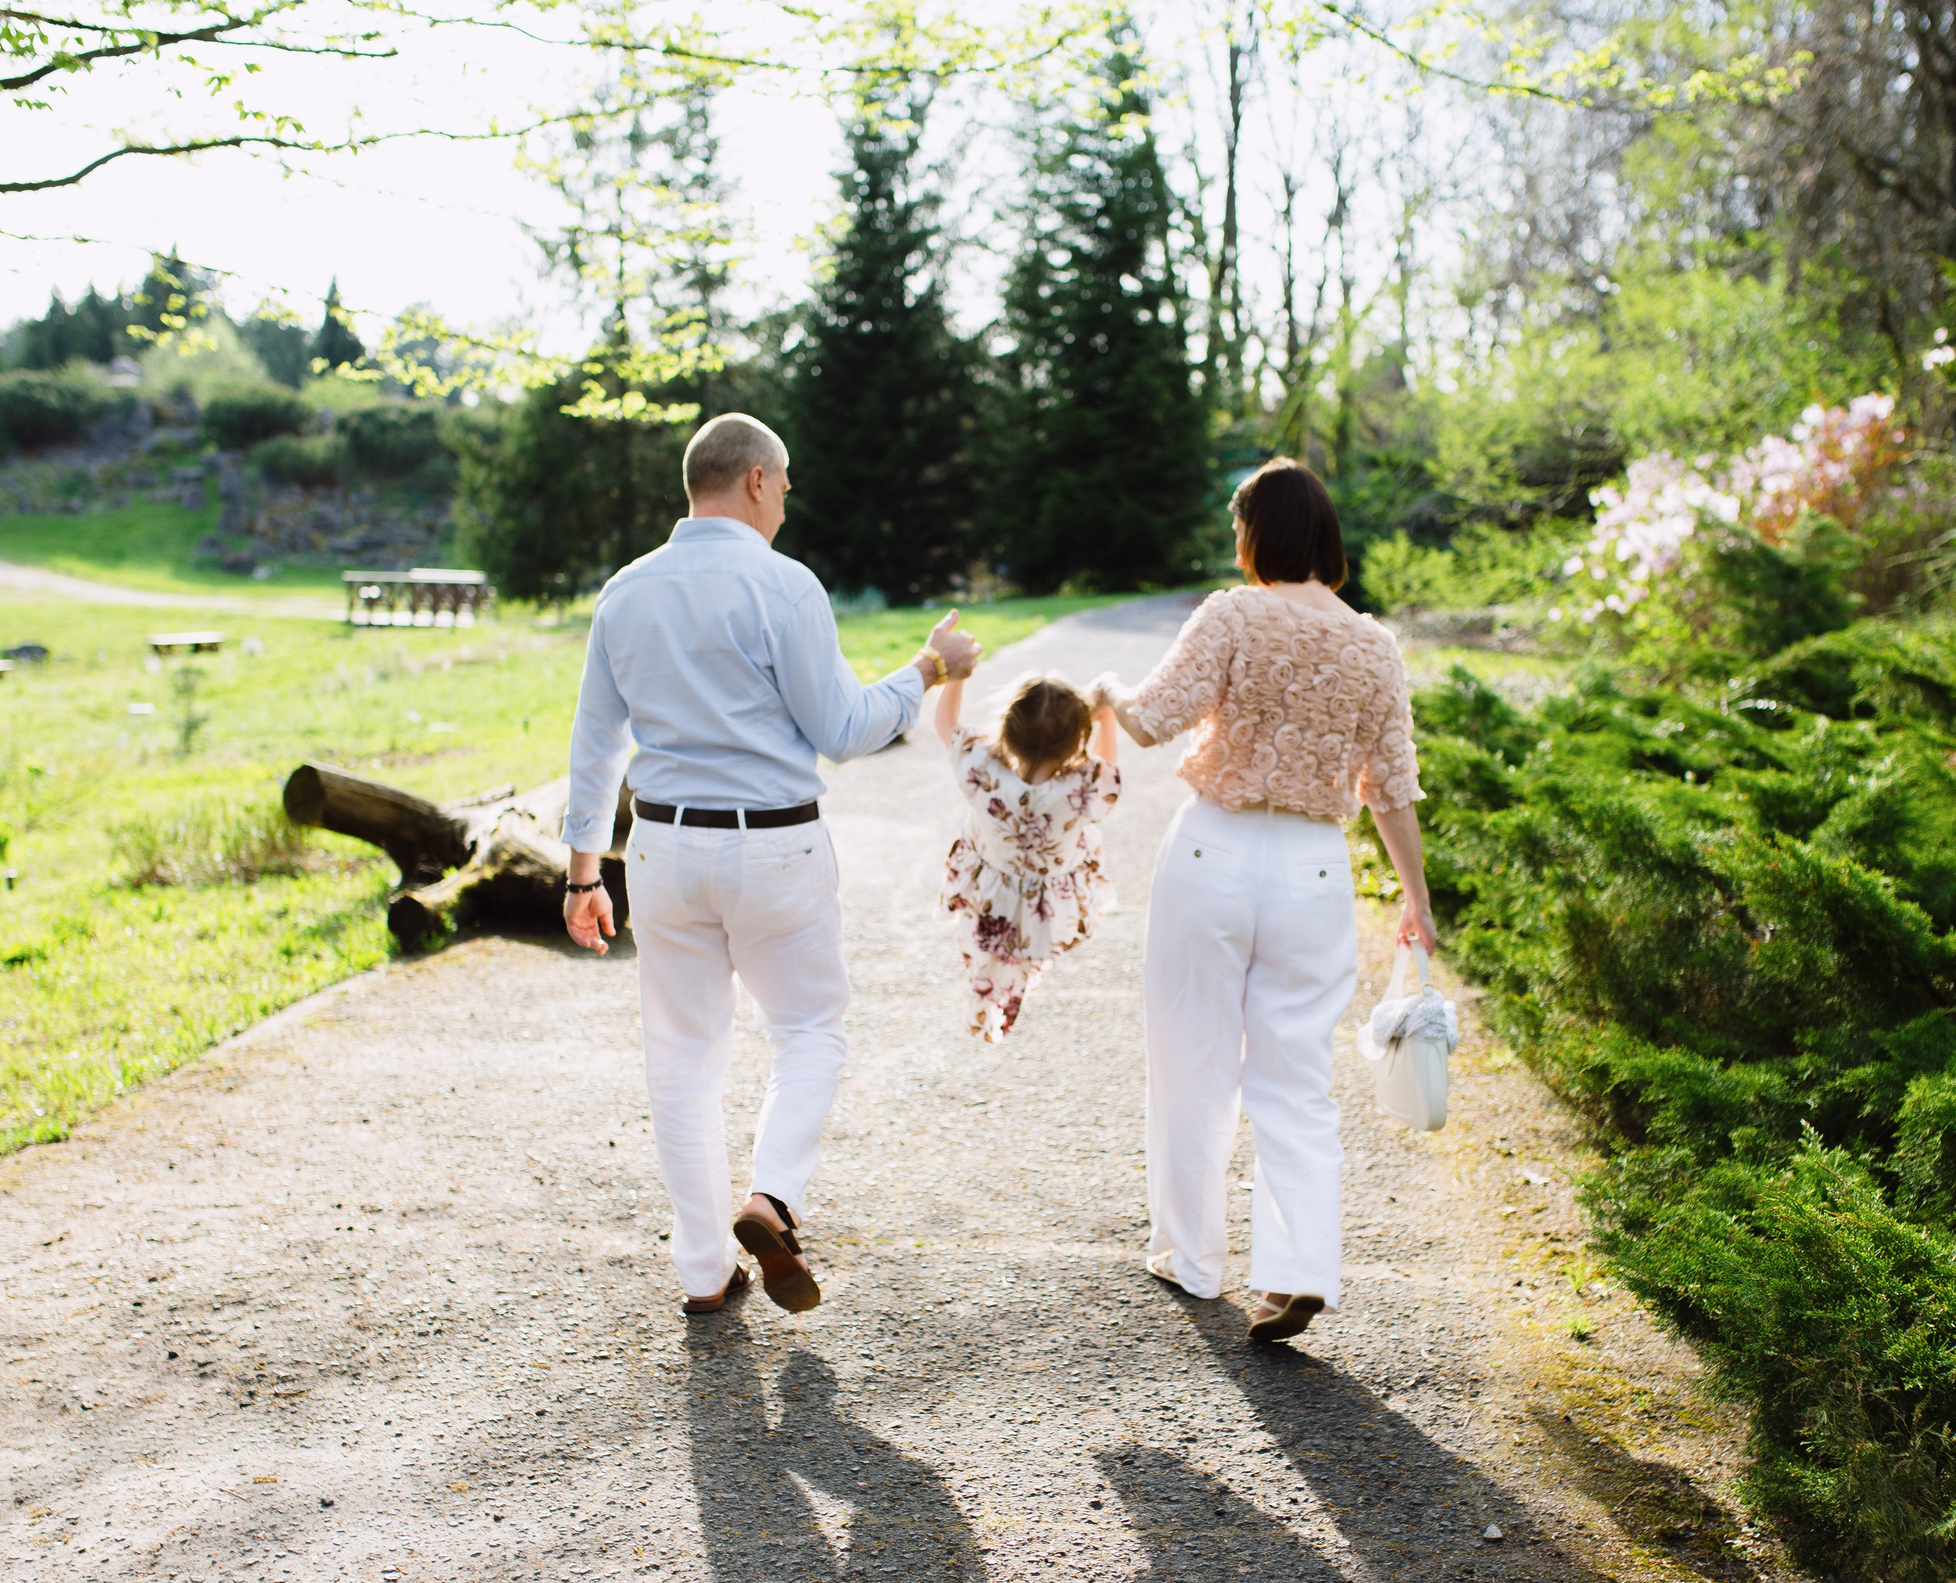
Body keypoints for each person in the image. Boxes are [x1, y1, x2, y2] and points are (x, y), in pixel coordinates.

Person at [560, 412, 983, 1317]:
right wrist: (927, 669)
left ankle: (704, 1272)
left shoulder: (624, 593)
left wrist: (583, 874)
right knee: (809, 1028)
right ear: (755, 479)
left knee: (680, 1060)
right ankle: (773, 1197)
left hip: (663, 847)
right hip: (774, 845)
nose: (786, 502)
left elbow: (595, 742)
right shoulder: (786, 587)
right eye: (784, 484)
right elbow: (843, 729)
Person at [1111, 458, 1439, 1345]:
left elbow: (1151, 718)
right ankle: (1299, 1270)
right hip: (1313, 870)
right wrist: (1416, 898)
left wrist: (1101, 693)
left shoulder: (1232, 613)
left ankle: (1191, 1255)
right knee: (1296, 1076)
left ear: (1257, 535)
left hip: (1212, 851)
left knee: (1192, 1057)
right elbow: (1391, 786)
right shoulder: (1373, 645)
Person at [934, 672, 1123, 1042]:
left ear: (1007, 729)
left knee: (987, 961)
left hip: (990, 895)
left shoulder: (983, 770)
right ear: (1077, 739)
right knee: (1020, 962)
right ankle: (1001, 999)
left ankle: (988, 1000)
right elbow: (1107, 767)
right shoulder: (1083, 785)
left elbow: (945, 724)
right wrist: (1106, 716)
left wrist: (955, 675)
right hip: (1044, 905)